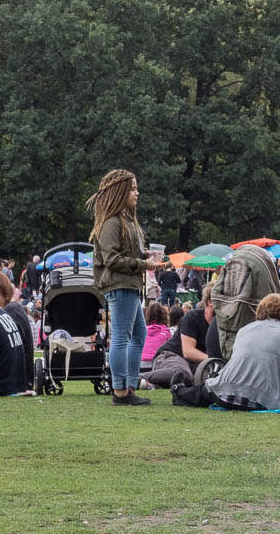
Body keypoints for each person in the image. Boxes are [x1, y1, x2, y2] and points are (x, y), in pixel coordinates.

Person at [88, 170, 163, 406]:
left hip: (129, 284)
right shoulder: (111, 223)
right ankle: (120, 390)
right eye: (132, 188)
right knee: (121, 337)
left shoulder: (125, 220)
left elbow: (122, 254)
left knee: (138, 335)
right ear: (120, 191)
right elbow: (111, 259)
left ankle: (129, 385)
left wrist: (145, 256)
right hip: (119, 285)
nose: (137, 193)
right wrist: (143, 264)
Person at [172, 294, 280, 411]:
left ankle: (179, 391)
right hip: (261, 401)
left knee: (206, 390)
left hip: (225, 395)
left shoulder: (245, 330)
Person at [142, 284, 212, 388]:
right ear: (210, 302)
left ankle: (154, 385)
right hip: (170, 355)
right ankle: (138, 378)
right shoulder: (193, 317)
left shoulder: (223, 324)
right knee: (183, 374)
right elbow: (188, 352)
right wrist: (213, 359)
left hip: (192, 364)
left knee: (205, 381)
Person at [0, 271, 35, 390]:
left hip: (14, 382)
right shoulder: (15, 309)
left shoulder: (10, 312)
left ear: (1, 290)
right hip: (20, 380)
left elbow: (11, 352)